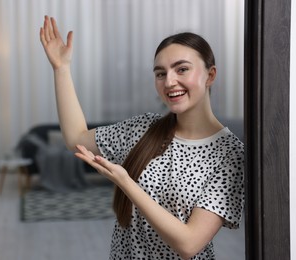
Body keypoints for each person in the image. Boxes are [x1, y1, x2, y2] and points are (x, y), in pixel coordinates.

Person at [39, 15, 244, 260]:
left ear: (210, 75)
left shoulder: (230, 153)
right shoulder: (144, 128)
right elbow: (76, 138)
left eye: (182, 69)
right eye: (160, 73)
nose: (169, 81)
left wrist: (126, 183)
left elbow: (189, 244)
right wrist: (61, 69)